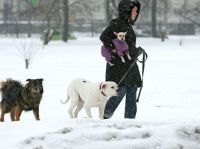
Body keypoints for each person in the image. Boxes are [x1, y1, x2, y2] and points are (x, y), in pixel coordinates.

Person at [100, 0, 143, 119]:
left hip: (130, 67)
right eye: (134, 10)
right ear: (126, 11)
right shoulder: (117, 23)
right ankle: (104, 116)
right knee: (119, 93)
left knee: (131, 94)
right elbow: (104, 37)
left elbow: (127, 45)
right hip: (118, 67)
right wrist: (113, 51)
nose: (136, 13)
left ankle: (129, 122)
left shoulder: (128, 26)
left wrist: (136, 51)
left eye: (136, 11)